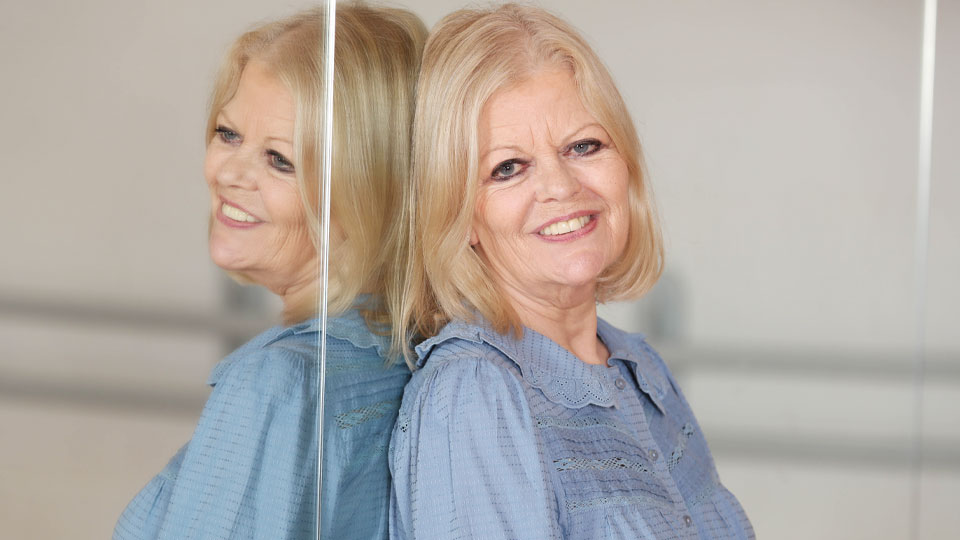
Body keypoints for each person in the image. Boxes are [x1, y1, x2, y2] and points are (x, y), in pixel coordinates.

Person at [389, 4, 753, 539]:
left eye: (584, 146)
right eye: (507, 168)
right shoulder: (474, 396)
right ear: (460, 213)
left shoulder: (640, 369)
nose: (561, 186)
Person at [114, 4, 425, 539]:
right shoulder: (410, 354)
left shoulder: (274, 385)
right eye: (228, 133)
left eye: (280, 159)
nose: (230, 173)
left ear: (368, 190)